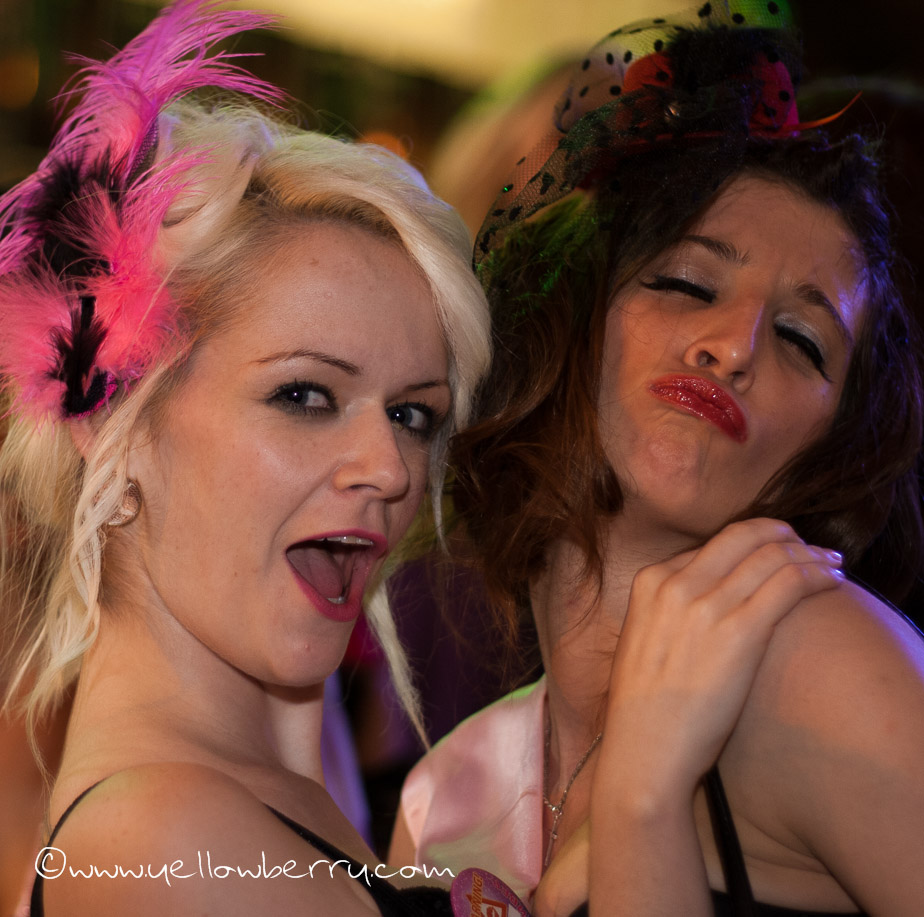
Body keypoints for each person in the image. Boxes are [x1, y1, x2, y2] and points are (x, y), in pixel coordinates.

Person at [392, 3, 924, 915]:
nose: (734, 346)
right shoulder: (445, 794)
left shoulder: (827, 668)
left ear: (834, 441)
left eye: (801, 339)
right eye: (686, 282)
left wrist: (643, 800)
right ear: (573, 317)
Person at [0, 1, 491, 914]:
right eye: (304, 395)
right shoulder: (163, 839)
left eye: (414, 415)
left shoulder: (258, 793)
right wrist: (641, 802)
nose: (389, 468)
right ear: (116, 424)